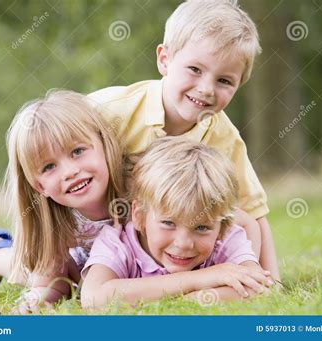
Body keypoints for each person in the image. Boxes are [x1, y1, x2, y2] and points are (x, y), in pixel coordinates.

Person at [88, 0, 279, 279]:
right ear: (164, 59)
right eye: (195, 69)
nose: (206, 89)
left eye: (224, 81)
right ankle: (0, 255)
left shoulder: (224, 137)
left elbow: (253, 212)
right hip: (91, 226)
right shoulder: (110, 112)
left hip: (155, 237)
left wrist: (271, 278)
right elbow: (45, 150)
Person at [0, 90, 125, 311]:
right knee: (36, 274)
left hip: (104, 268)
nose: (70, 172)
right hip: (73, 266)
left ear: (103, 144)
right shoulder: (57, 219)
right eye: (49, 167)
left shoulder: (136, 189)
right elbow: (50, 286)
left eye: (78, 151)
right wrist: (37, 301)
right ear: (39, 186)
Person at [81, 137, 273, 308]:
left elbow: (258, 290)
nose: (183, 243)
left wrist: (180, 302)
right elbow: (94, 297)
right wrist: (200, 279)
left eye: (201, 227)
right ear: (139, 217)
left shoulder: (227, 239)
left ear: (222, 229)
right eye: (168, 223)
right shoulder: (117, 243)